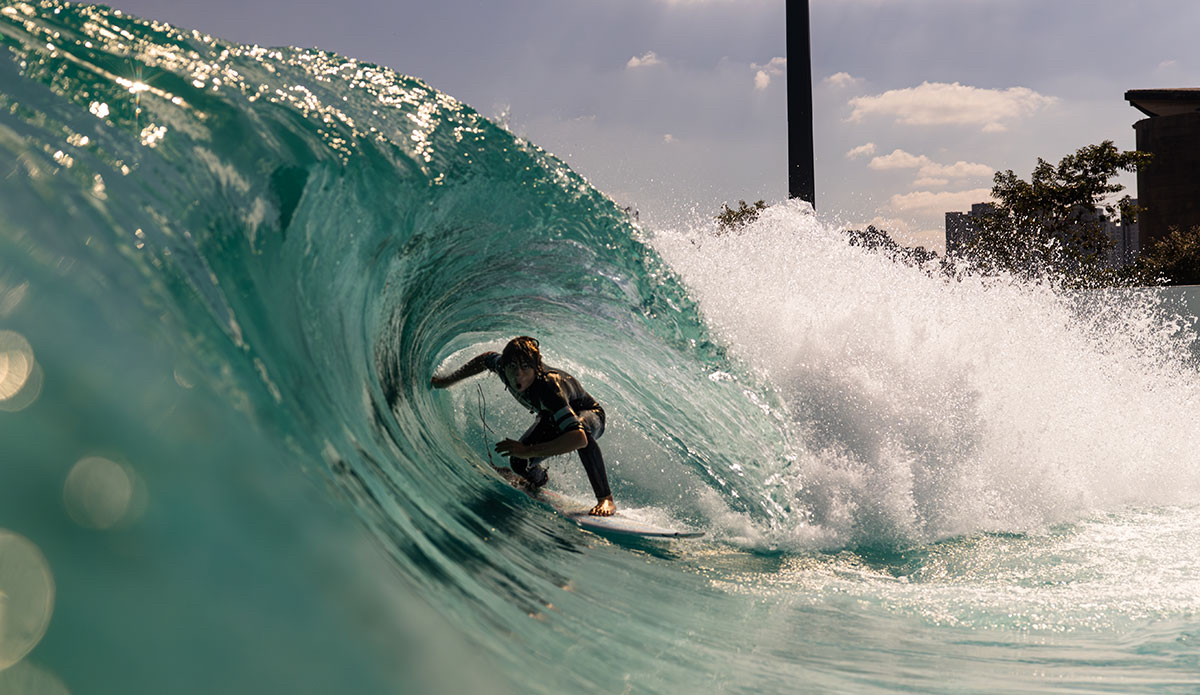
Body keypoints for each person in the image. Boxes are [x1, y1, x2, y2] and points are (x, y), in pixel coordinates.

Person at [431, 336, 616, 516]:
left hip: (590, 414)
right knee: (518, 461)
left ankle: (605, 497)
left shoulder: (550, 388)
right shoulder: (502, 367)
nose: (518, 374)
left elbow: (578, 438)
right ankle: (538, 480)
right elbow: (485, 358)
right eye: (513, 367)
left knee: (580, 429)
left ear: (536, 368)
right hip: (551, 416)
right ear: (505, 365)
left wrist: (528, 450)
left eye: (525, 367)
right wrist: (447, 381)